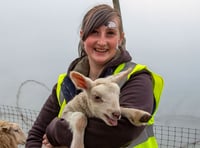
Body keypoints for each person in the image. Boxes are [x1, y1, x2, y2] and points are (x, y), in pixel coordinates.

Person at [26, 4, 164, 148]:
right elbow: (35, 135)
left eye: (110, 33)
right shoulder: (66, 84)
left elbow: (121, 131)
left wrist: (55, 130)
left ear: (120, 38)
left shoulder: (136, 78)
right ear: (82, 36)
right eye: (94, 32)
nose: (102, 42)